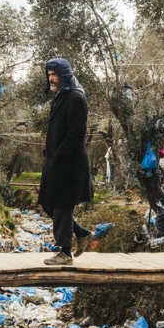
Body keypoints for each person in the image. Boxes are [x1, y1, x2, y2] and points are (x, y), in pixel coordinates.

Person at [38, 58, 94, 266]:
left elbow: (77, 132)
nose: (51, 78)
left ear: (65, 75)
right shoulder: (61, 96)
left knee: (62, 204)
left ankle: (65, 252)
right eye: (49, 74)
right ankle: (81, 233)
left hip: (69, 163)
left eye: (54, 74)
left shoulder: (76, 98)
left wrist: (60, 154)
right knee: (47, 202)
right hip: (56, 161)